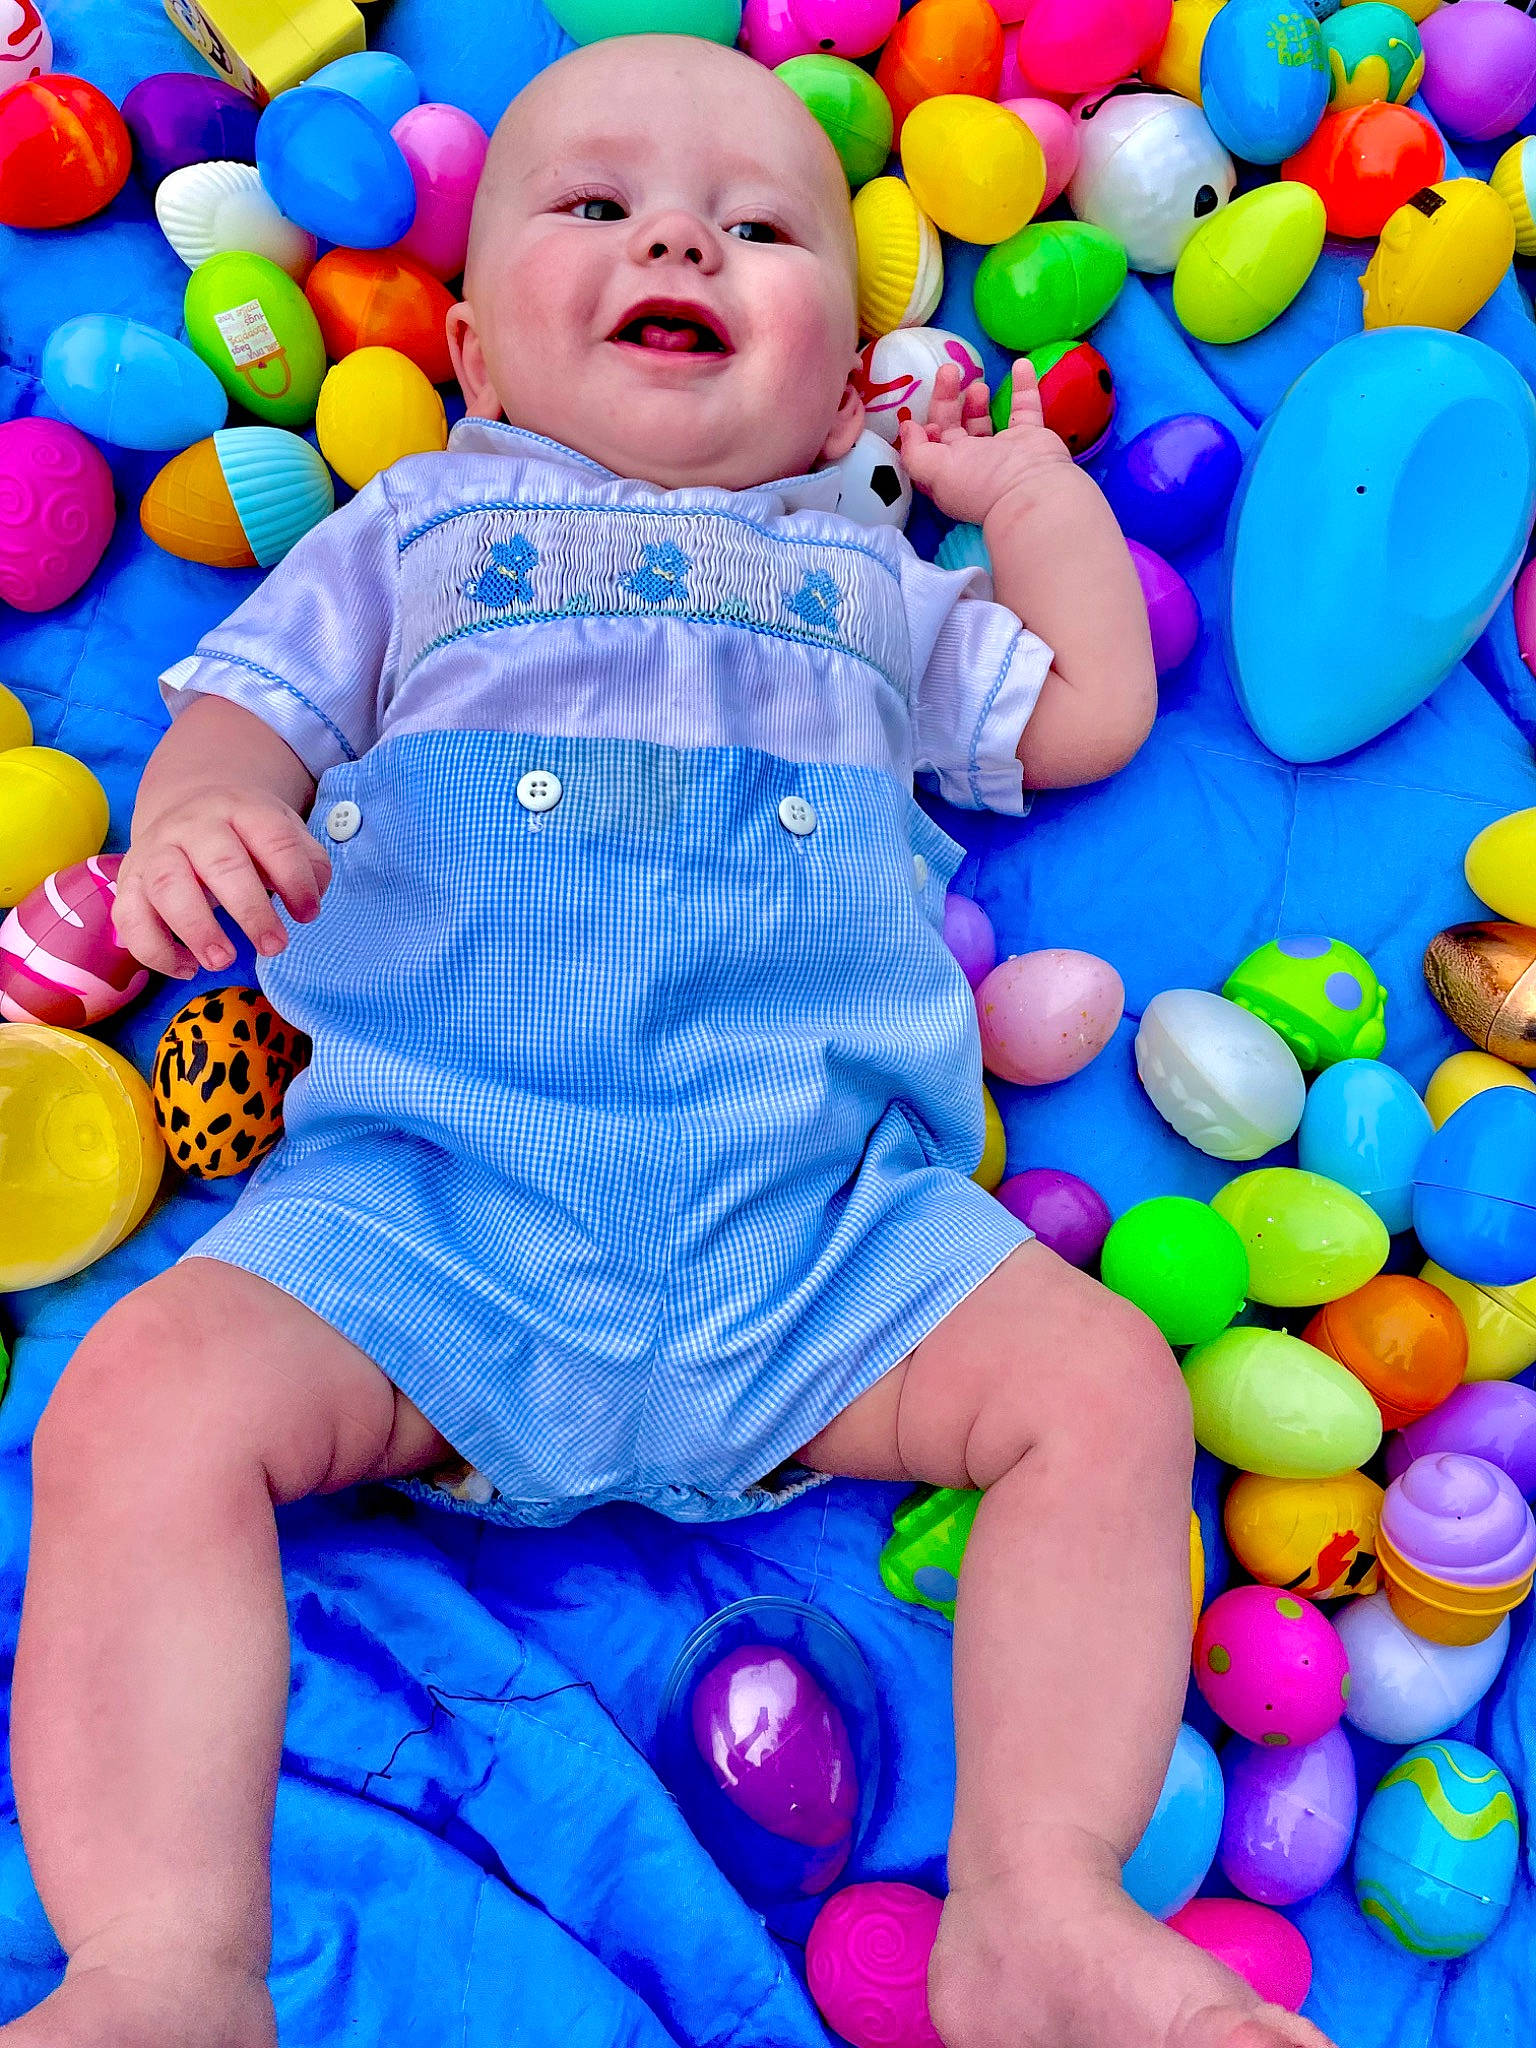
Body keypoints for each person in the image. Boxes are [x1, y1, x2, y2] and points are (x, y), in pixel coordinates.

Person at [3, 35, 1332, 2048]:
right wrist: (202, 815)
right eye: (598, 205)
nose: (683, 231)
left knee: (1105, 1389)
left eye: (764, 223)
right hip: (431, 1227)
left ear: (841, 376)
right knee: (137, 1403)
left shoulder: (876, 588)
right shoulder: (415, 528)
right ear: (467, 346)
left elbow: (1086, 714)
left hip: (820, 1243)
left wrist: (1030, 489)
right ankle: (170, 1961)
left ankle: (1035, 1905)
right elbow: (240, 708)